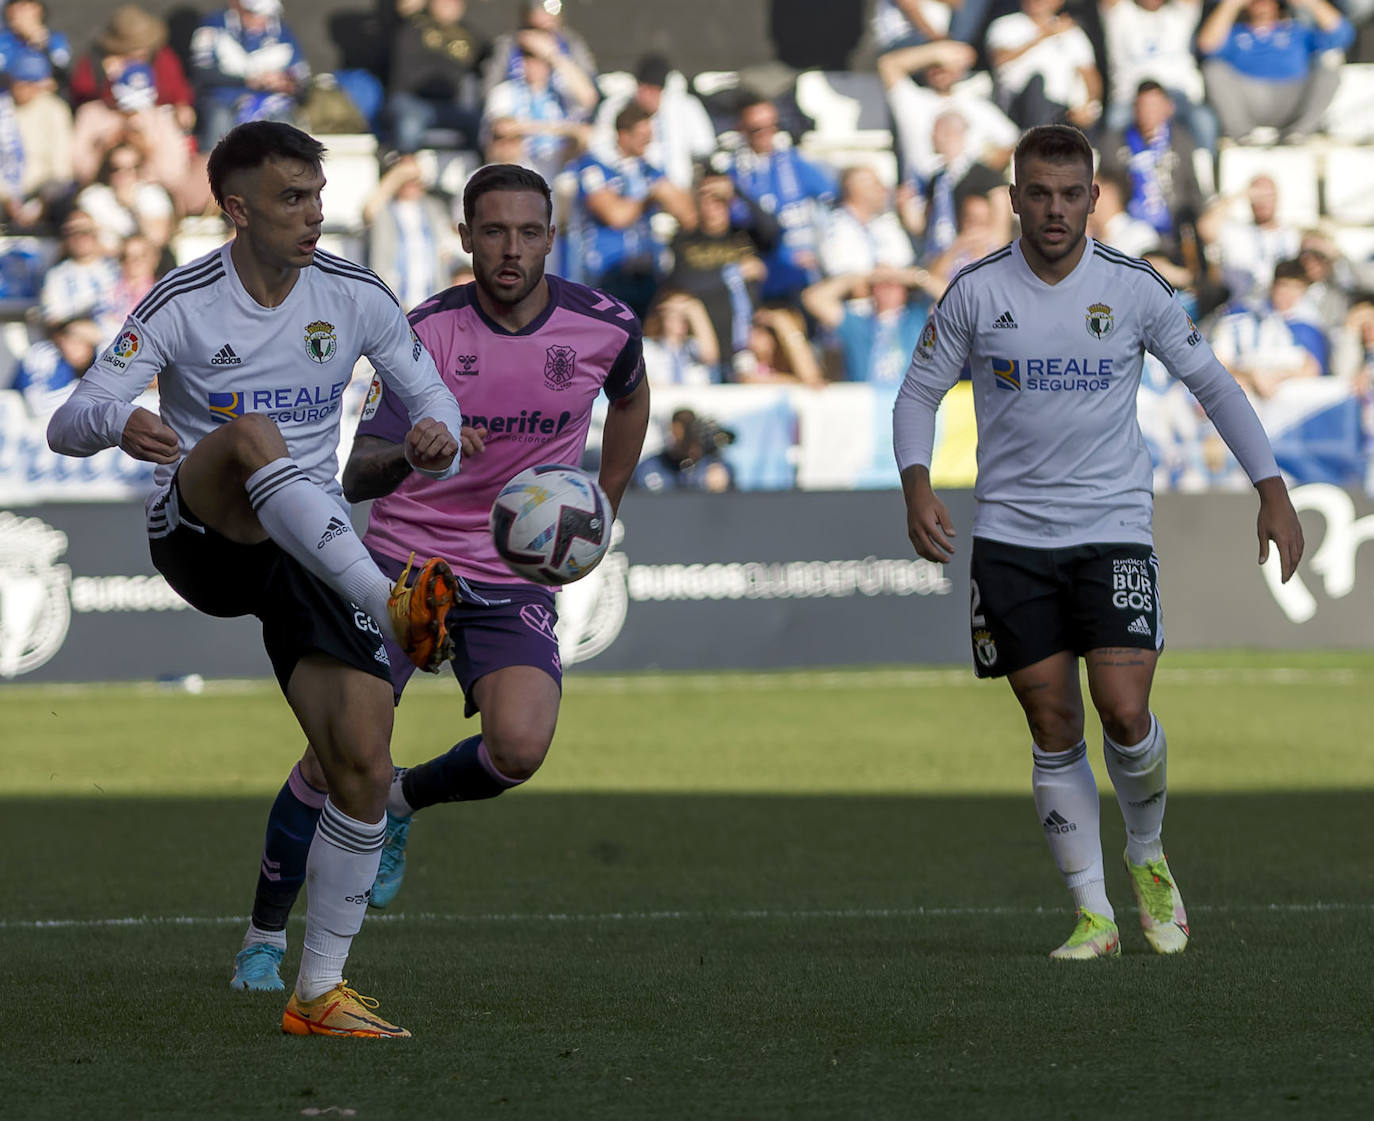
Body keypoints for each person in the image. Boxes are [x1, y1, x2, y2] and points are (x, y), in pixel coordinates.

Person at [45, 121, 469, 1038]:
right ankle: (388, 601)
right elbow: (68, 418)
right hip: (203, 529)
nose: (314, 214)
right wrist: (119, 421)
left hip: (306, 542)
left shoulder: (354, 293)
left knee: (362, 757)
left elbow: (429, 390)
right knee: (248, 437)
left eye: (317, 196)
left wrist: (434, 426)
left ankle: (317, 991)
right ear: (235, 210)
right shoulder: (184, 299)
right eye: (290, 198)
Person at [223, 161, 651, 992]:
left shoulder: (605, 325)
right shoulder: (422, 332)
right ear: (464, 237)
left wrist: (604, 498)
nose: (511, 249)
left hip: (514, 575)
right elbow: (357, 473)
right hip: (402, 570)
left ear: (551, 239)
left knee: (520, 747)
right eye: (493, 231)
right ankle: (262, 939)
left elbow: (630, 400)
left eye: (529, 232)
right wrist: (413, 453)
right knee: (333, 758)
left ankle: (401, 804)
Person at [893, 124, 1305, 960]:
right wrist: (917, 480)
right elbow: (917, 393)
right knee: (1051, 723)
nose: (1053, 209)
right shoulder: (974, 291)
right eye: (1037, 193)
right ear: (1013, 198)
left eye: (1069, 193)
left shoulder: (1135, 288)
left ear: (1093, 199)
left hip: (1112, 529)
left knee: (1123, 711)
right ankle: (1094, 915)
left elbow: (1213, 385)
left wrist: (1272, 487)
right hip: (1009, 537)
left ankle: (1146, 855)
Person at [1196, 0, 1354, 144]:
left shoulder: (1297, 31)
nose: (1262, 4)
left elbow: (1341, 35)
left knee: (1329, 70)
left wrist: (1312, 3)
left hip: (1291, 96)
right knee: (1213, 69)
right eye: (1256, 1)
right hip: (1249, 97)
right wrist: (1230, 5)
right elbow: (1206, 46)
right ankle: (1243, 136)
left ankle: (1298, 134)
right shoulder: (1235, 33)